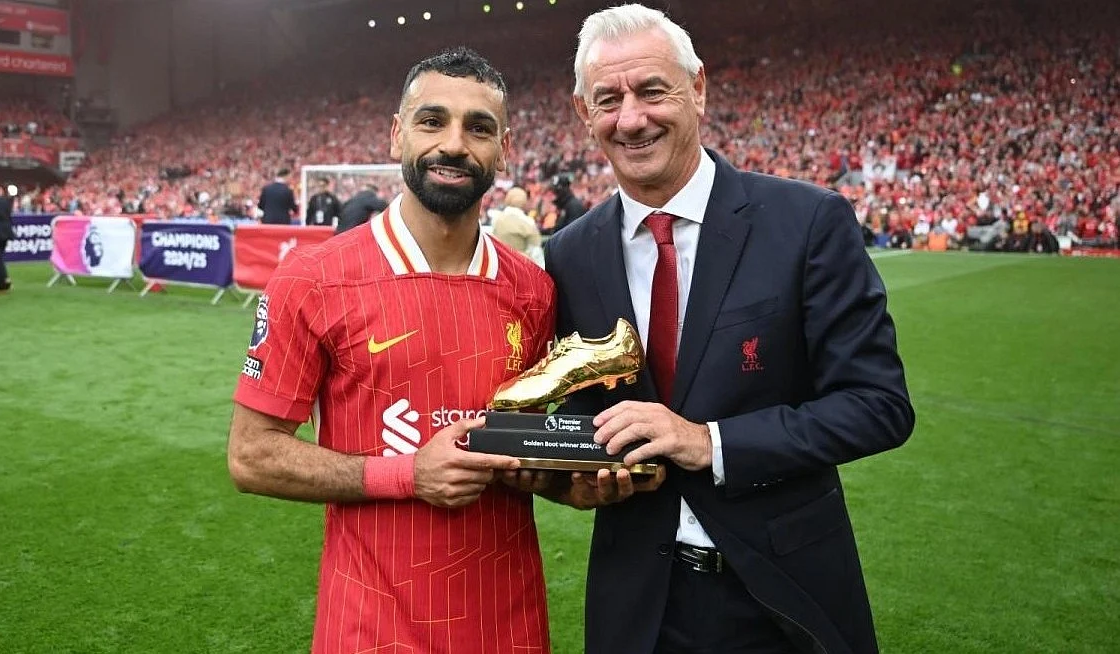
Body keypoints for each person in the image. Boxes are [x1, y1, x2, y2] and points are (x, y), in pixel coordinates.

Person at [541, 5, 914, 653]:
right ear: (583, 113)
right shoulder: (570, 254)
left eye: (652, 90)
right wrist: (574, 476)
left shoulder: (808, 221)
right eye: (609, 100)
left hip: (783, 597)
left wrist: (708, 441)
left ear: (699, 89)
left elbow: (878, 406)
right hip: (637, 609)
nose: (631, 118)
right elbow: (581, 415)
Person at [227, 47, 554, 654]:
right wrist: (407, 474)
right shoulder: (313, 277)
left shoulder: (533, 290)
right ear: (397, 133)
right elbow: (251, 457)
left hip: (509, 627)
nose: (454, 144)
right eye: (433, 121)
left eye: (478, 127)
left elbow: (531, 450)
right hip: (371, 628)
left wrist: (579, 477)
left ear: (503, 149)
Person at [489, 186, 542, 260]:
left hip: (500, 263)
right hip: (521, 265)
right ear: (524, 201)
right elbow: (536, 252)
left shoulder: (496, 219)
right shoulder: (528, 222)